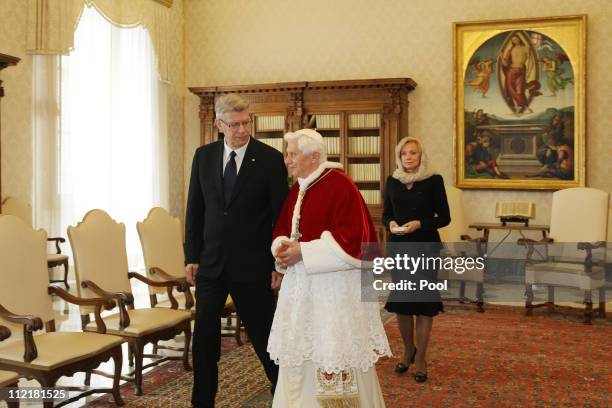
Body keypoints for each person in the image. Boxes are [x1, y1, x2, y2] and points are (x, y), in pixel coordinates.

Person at [269, 129, 390, 407]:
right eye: (287, 155)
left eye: (292, 154)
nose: (287, 161)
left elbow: (357, 243)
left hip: (334, 293)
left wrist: (304, 251)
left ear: (314, 156)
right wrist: (282, 248)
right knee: (302, 352)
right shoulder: (300, 187)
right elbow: (283, 229)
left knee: (333, 352)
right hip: (303, 290)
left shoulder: (340, 184)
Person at [184, 93, 289, 408]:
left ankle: (285, 396)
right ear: (219, 124)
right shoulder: (203, 156)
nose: (242, 130)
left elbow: (279, 217)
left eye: (246, 123)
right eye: (234, 124)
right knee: (204, 342)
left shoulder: (269, 159)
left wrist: (278, 264)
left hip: (253, 267)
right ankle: (202, 402)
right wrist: (192, 256)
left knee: (265, 339)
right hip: (210, 267)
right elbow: (195, 211)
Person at [383, 137, 450, 383]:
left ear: (421, 155)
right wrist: (390, 223)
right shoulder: (392, 181)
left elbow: (444, 217)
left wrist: (420, 223)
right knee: (402, 303)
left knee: (423, 304)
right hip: (399, 247)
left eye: (413, 153)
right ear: (399, 157)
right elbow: (387, 214)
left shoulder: (434, 180)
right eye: (404, 153)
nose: (409, 157)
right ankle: (407, 348)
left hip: (425, 247)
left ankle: (421, 357)